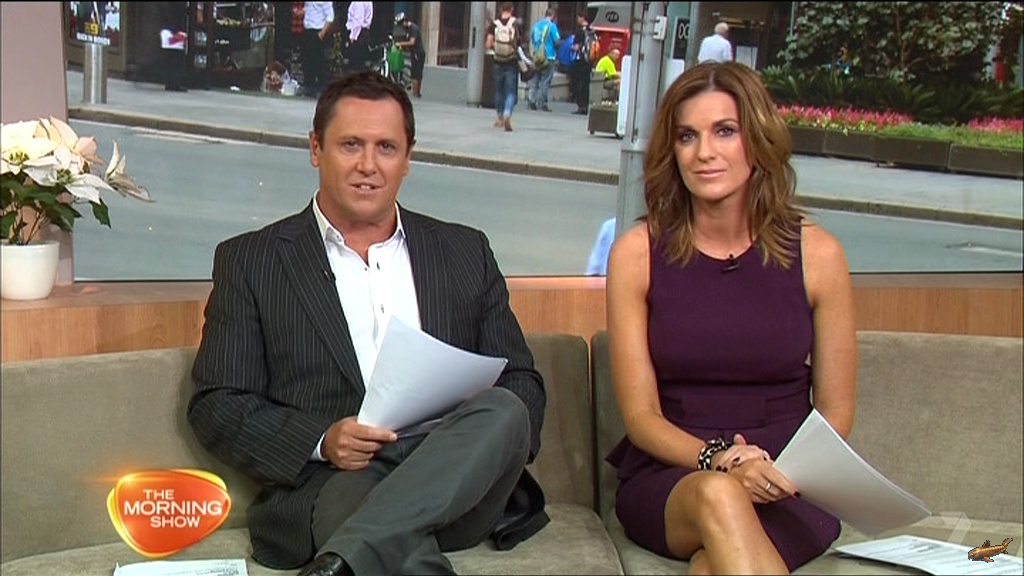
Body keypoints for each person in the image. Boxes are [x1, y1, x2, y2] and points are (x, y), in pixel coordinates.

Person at [187, 70, 549, 576]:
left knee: (506, 407)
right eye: (350, 145)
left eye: (386, 148)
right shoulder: (253, 261)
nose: (368, 166)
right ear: (316, 149)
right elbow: (217, 405)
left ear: (408, 158)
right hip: (340, 483)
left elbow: (523, 383)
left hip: (457, 485)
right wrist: (322, 439)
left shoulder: (465, 251)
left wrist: (459, 434)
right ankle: (352, 555)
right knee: (366, 527)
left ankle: (351, 552)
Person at [604, 61, 857, 574]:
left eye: (724, 131)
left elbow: (836, 411)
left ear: (757, 141)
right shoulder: (636, 253)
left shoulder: (819, 254)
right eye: (687, 136)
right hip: (679, 474)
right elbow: (641, 417)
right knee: (720, 496)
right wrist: (720, 459)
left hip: (788, 478)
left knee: (711, 568)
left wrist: (775, 471)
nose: (704, 152)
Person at [486, 3, 522, 132]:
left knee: (498, 90)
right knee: (511, 92)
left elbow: (488, 44)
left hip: (498, 61)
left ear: (501, 9)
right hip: (511, 62)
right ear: (511, 9)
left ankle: (500, 117)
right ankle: (507, 113)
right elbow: (519, 43)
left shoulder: (494, 25)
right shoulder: (515, 23)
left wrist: (496, 46)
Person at [527, 8, 559, 112]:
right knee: (545, 81)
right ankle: (542, 103)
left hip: (537, 57)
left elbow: (532, 39)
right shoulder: (552, 26)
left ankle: (531, 101)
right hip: (548, 56)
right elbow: (557, 41)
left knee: (535, 79)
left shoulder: (536, 26)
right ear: (553, 16)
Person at [300, 1, 334, 97]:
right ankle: (308, 85)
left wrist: (322, 34)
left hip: (317, 31)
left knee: (317, 60)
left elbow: (330, 17)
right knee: (306, 59)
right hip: (307, 29)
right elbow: (310, 8)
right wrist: (302, 12)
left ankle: (319, 87)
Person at [394, 12, 425, 98]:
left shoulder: (413, 29)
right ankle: (416, 92)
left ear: (404, 22)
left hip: (418, 53)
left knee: (416, 72)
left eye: (401, 25)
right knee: (414, 71)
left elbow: (412, 42)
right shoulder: (409, 29)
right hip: (414, 52)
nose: (401, 27)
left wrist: (400, 44)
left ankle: (416, 92)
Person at [569, 12, 593, 115]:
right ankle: (585, 106)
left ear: (582, 18)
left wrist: (570, 48)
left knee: (579, 82)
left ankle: (580, 106)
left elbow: (576, 47)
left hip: (581, 60)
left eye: (578, 17)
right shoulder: (592, 31)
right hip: (589, 61)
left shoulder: (580, 32)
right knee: (586, 83)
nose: (577, 20)